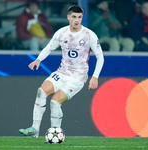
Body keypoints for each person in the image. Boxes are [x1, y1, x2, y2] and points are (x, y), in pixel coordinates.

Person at [19, 5, 104, 138]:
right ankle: (35, 130)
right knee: (41, 92)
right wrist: (38, 60)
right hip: (62, 72)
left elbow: (100, 57)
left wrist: (95, 77)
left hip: (78, 77)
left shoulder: (89, 35)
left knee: (55, 102)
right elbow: (49, 47)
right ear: (68, 17)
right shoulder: (61, 33)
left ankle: (56, 133)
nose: (77, 20)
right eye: (74, 17)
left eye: (79, 17)